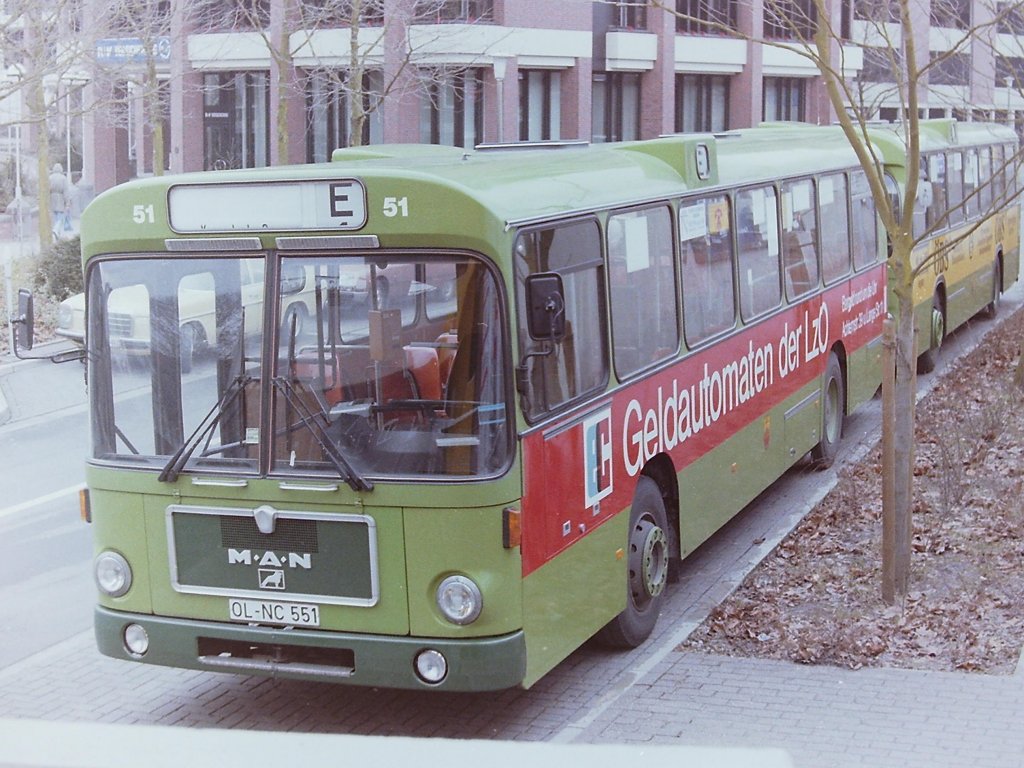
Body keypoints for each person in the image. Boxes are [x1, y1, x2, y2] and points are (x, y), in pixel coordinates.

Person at [49, 163, 70, 238]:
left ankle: (56, 231)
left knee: (54, 215)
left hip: (51, 198)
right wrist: (67, 203)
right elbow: (66, 191)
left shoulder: (50, 178)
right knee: (60, 216)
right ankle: (56, 229)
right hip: (60, 198)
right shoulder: (63, 178)